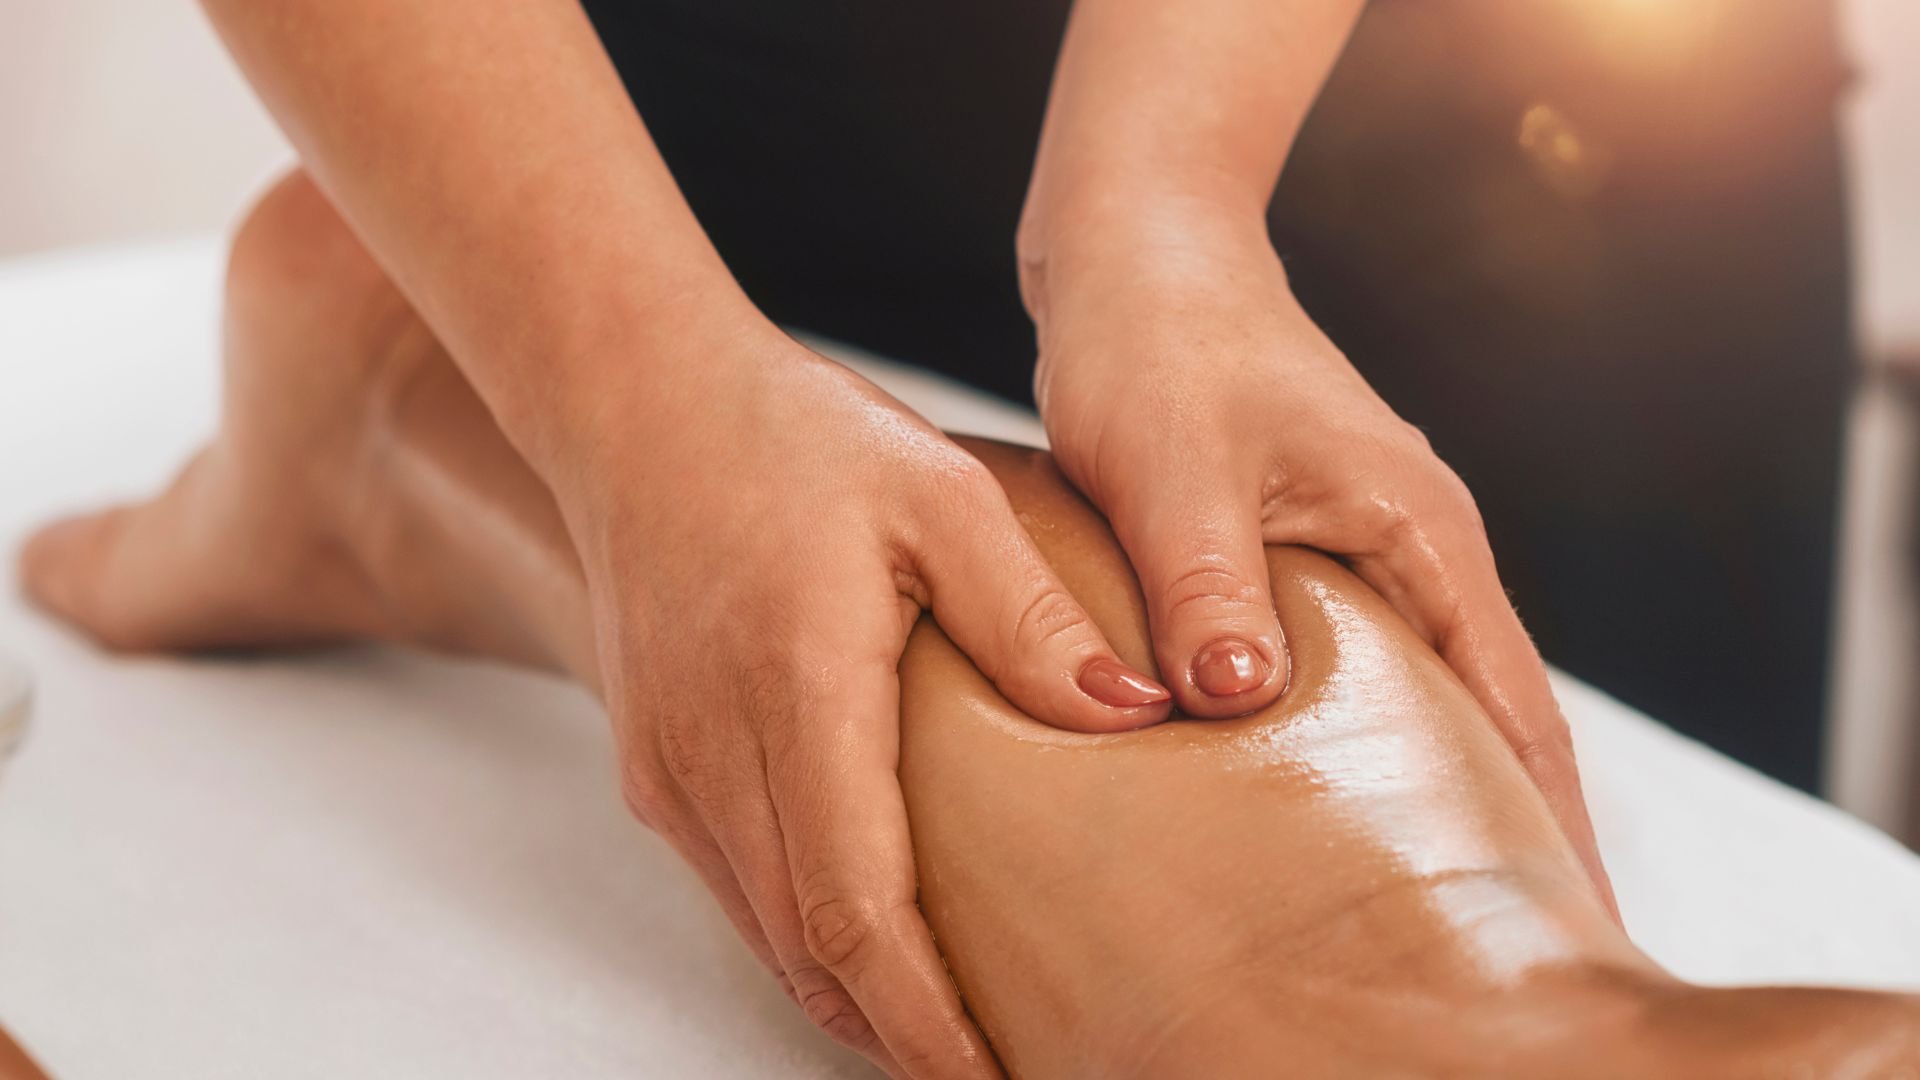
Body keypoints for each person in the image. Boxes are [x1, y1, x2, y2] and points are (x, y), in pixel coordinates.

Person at [30, 0, 1638, 1071]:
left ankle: (396, 415)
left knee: (1229, 596)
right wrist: (634, 399)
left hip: (1497, 142)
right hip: (690, 131)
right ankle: (409, 397)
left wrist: (1166, 202)